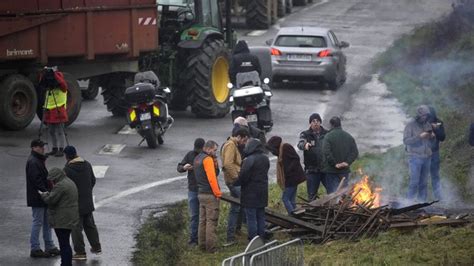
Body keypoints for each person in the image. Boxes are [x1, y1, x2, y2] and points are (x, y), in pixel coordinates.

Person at [62, 146, 102, 260]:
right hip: (87, 202)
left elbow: (65, 187)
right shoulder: (87, 164)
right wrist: (86, 191)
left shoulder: (67, 169)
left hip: (74, 204)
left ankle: (80, 252)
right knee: (90, 225)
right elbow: (93, 180)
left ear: (67, 156)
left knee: (76, 229)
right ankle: (96, 247)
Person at [26, 139, 60, 258]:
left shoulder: (37, 160)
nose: (43, 148)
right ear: (33, 148)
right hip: (39, 197)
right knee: (38, 222)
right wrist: (46, 192)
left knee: (47, 222)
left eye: (43, 147)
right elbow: (37, 181)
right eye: (40, 147)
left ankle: (49, 246)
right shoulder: (34, 161)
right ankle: (35, 248)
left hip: (42, 197)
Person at [39, 168, 79, 266]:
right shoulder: (69, 182)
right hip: (70, 217)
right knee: (66, 243)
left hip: (62, 220)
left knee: (63, 244)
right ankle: (67, 263)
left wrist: (43, 195)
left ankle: (65, 264)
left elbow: (51, 200)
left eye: (52, 179)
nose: (52, 181)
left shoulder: (60, 186)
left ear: (56, 177)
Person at [221, 128, 249, 245]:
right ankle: (231, 236)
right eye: (244, 140)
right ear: (239, 137)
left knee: (237, 206)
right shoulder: (231, 145)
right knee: (241, 205)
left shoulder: (232, 144)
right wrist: (237, 178)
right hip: (234, 181)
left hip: (233, 181)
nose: (244, 143)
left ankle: (234, 232)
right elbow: (227, 164)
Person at [238, 139, 270, 240]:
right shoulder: (265, 159)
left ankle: (253, 239)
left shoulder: (249, 160)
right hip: (263, 191)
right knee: (260, 216)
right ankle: (261, 238)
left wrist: (236, 182)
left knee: (251, 218)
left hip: (250, 193)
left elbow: (243, 176)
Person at [266, 136, 306, 215]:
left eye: (272, 149)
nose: (272, 152)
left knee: (285, 198)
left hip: (292, 178)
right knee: (291, 199)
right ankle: (297, 215)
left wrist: (288, 171)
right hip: (291, 177)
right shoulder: (280, 150)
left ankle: (293, 216)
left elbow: (296, 158)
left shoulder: (286, 147)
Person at [194, 140, 221, 253]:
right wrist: (218, 193)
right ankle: (211, 248)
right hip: (210, 195)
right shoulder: (208, 160)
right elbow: (212, 178)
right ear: (209, 149)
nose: (215, 152)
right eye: (214, 150)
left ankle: (202, 245)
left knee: (202, 221)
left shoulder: (197, 158)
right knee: (211, 221)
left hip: (200, 193)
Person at [177, 138, 205, 246]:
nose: (198, 152)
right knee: (194, 215)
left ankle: (202, 238)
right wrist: (184, 167)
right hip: (193, 189)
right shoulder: (190, 155)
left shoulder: (207, 157)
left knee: (203, 216)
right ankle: (193, 239)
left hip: (204, 190)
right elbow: (179, 167)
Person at [403, 105, 433, 202]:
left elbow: (430, 141)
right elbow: (406, 141)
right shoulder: (410, 125)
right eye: (423, 116)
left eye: (426, 115)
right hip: (415, 157)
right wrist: (420, 136)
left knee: (424, 183)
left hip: (427, 157)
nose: (425, 117)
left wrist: (431, 136)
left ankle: (422, 203)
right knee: (414, 182)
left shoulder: (427, 124)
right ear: (418, 115)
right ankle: (408, 204)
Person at [322, 116, 359, 193]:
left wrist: (335, 164)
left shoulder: (328, 137)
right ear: (340, 124)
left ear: (331, 125)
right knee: (343, 195)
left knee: (332, 195)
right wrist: (347, 162)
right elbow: (355, 152)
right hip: (344, 171)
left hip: (331, 171)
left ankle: (333, 205)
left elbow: (326, 152)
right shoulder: (349, 137)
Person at [38, 68, 69, 157]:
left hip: (59, 110)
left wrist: (54, 74)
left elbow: (63, 84)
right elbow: (41, 82)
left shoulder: (62, 88)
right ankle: (55, 149)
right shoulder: (49, 88)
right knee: (51, 131)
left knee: (60, 131)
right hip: (50, 111)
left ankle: (61, 149)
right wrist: (44, 73)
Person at [297, 113, 328, 201]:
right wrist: (305, 145)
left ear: (320, 122)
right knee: (312, 195)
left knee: (332, 191)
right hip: (312, 170)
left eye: (317, 121)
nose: (315, 123)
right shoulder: (305, 134)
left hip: (325, 169)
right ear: (310, 123)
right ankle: (313, 211)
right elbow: (300, 143)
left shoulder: (327, 133)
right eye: (313, 121)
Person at [428, 107, 446, 200]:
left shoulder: (439, 122)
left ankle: (438, 198)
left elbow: (442, 137)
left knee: (435, 176)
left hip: (434, 153)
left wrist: (436, 129)